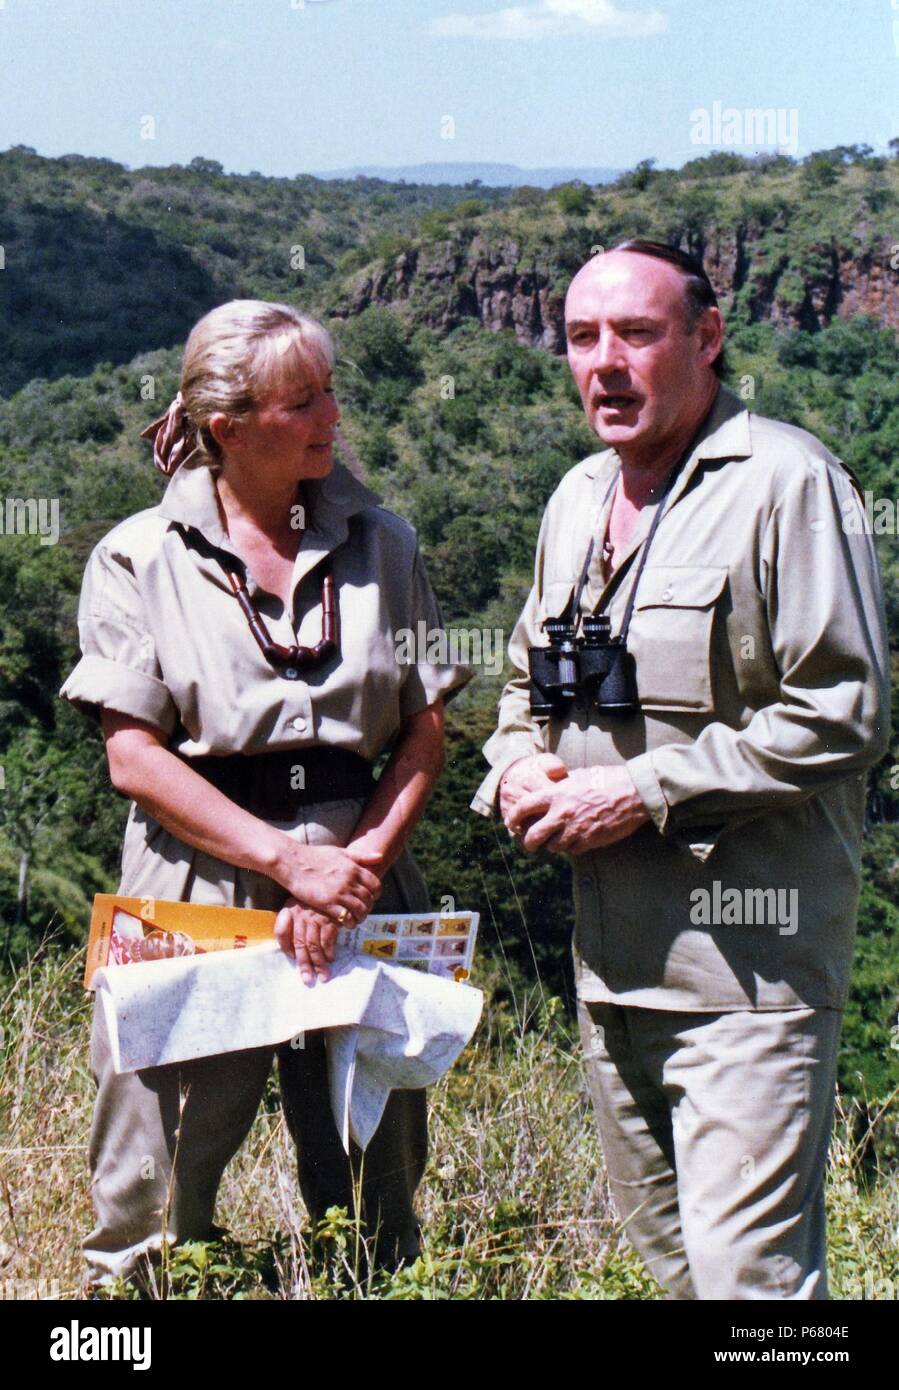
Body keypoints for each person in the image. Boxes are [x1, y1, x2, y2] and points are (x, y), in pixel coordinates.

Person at [471, 241, 890, 1300]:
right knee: (675, 1281)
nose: (603, 364)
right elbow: (526, 679)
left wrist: (645, 790)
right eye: (580, 338)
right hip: (611, 971)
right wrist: (515, 766)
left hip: (744, 975)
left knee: (749, 1285)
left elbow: (842, 710)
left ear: (704, 339)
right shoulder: (574, 497)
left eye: (636, 334)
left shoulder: (788, 483)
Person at [59, 298, 472, 1289]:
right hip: (195, 877)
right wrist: (285, 861)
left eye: (330, 390)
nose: (330, 414)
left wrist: (355, 865)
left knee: (374, 1145)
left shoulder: (385, 544)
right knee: (159, 1158)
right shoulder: (138, 558)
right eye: (301, 400)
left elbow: (423, 729)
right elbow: (136, 757)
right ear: (226, 427)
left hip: (363, 866)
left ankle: (370, 1285)